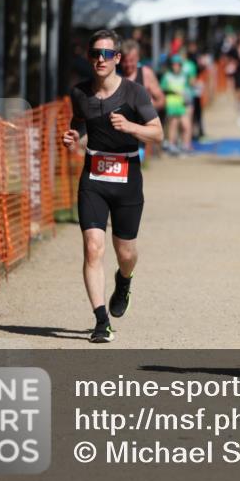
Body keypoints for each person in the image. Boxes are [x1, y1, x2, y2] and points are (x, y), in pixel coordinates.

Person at [62, 30, 163, 343]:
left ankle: (125, 279)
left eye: (106, 54)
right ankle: (101, 320)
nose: (100, 59)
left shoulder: (134, 93)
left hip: (127, 175)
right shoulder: (79, 92)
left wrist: (130, 126)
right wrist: (72, 138)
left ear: (118, 58)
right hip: (93, 176)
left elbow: (157, 133)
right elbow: (80, 123)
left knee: (126, 252)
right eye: (95, 53)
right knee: (93, 247)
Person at [160, 56, 193, 155]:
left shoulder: (184, 76)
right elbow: (162, 89)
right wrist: (173, 92)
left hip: (182, 104)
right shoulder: (167, 76)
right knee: (173, 125)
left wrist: (188, 99)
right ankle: (171, 145)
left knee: (186, 125)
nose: (176, 66)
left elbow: (187, 89)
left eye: (178, 64)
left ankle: (186, 145)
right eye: (174, 64)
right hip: (172, 105)